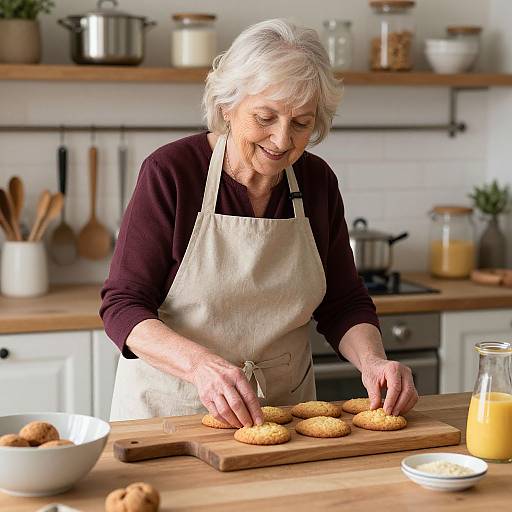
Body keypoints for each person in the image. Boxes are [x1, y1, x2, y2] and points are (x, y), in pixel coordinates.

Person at [101, 18, 419, 426]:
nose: (282, 140)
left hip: (283, 415)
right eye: (265, 117)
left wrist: (374, 361)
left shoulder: (317, 181)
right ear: (227, 106)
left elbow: (343, 302)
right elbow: (123, 306)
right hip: (172, 413)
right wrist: (201, 366)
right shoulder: (171, 172)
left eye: (301, 123)